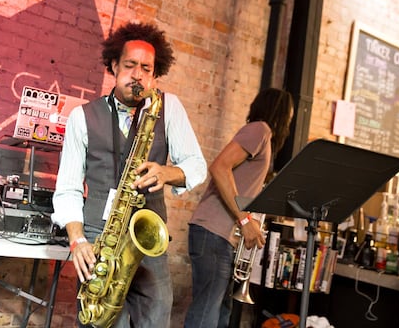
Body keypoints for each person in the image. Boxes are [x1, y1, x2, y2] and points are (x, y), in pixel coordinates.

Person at [51, 21, 207, 327]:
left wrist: (167, 172)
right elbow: (68, 188)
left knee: (157, 317)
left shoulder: (168, 108)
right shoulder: (82, 117)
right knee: (104, 321)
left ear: (155, 73)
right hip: (98, 239)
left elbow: (197, 165)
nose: (138, 75)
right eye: (130, 65)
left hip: (146, 238)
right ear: (113, 65)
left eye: (146, 69)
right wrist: (77, 240)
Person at [184, 88, 294, 328]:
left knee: (221, 316)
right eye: (289, 117)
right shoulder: (260, 130)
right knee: (206, 315)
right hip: (214, 233)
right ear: (280, 113)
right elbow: (219, 166)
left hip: (221, 238)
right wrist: (245, 220)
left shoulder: (261, 137)